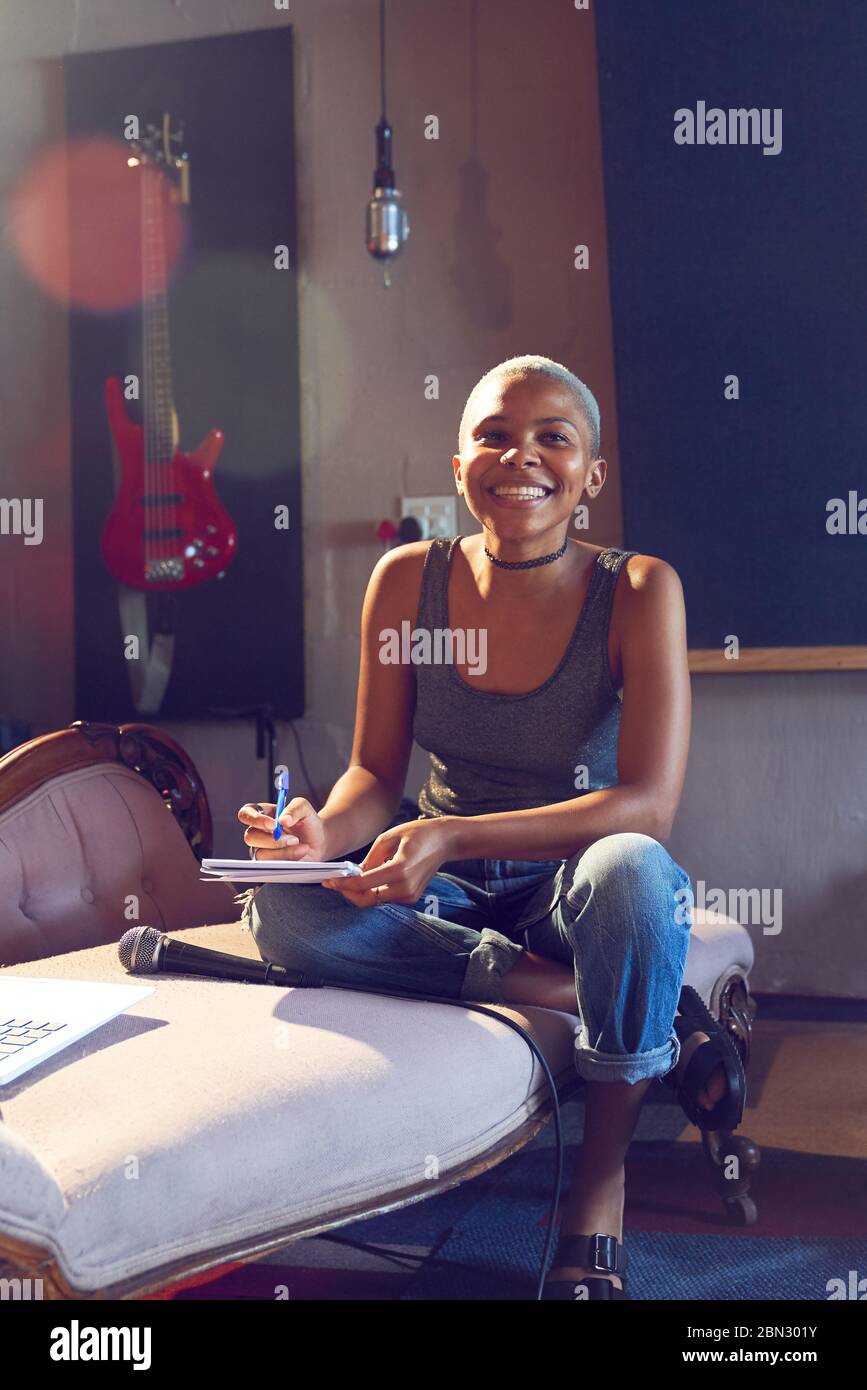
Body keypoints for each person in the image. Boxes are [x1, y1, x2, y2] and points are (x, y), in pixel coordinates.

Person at [237, 354, 745, 1300]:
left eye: (555, 437)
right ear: (461, 459)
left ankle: (598, 1184)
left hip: (569, 883)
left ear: (590, 475)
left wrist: (454, 836)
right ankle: (585, 993)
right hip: (445, 887)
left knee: (635, 869)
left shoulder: (638, 588)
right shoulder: (403, 582)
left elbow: (647, 804)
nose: (522, 456)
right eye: (494, 435)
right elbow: (371, 778)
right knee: (281, 910)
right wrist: (318, 835)